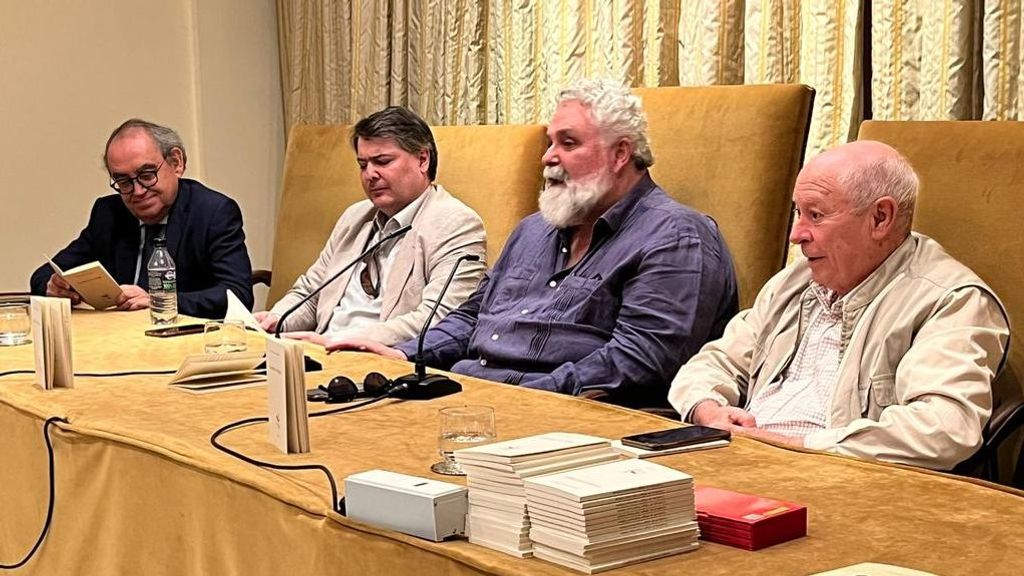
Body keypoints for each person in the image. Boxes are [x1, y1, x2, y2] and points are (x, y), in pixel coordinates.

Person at [331, 79, 739, 408]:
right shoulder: (533, 230)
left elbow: (641, 361)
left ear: (620, 154)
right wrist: (406, 354)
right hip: (470, 398)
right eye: (549, 142)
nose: (547, 157)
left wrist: (519, 397)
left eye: (568, 143)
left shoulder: (677, 236)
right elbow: (474, 316)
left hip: (564, 423)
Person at [668, 140, 1010, 471]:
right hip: (744, 461)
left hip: (837, 481)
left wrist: (805, 446)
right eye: (797, 213)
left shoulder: (950, 300)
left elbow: (946, 427)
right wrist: (707, 407)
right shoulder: (795, 281)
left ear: (880, 218)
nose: (796, 234)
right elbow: (715, 361)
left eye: (815, 215)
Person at [256, 106, 486, 345]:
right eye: (363, 165)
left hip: (385, 361)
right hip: (320, 352)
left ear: (422, 159)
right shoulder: (354, 217)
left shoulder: (456, 224)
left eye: (382, 161)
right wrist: (275, 319)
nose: (370, 174)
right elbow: (310, 293)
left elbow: (439, 320)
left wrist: (340, 340)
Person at [30, 119, 253, 318]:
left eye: (147, 175)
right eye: (124, 182)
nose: (137, 191)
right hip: (118, 342)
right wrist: (53, 287)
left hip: (183, 342)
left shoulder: (212, 212)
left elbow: (237, 294)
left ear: (176, 163)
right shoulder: (108, 213)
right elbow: (43, 275)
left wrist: (159, 301)